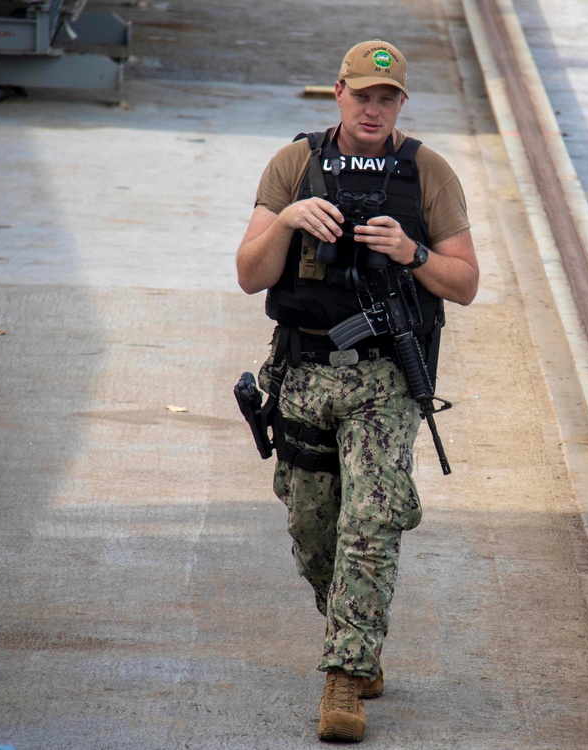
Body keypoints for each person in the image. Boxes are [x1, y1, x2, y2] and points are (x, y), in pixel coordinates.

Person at [235, 40, 479, 742]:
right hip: (303, 369)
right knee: (313, 528)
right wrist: (286, 219)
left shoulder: (426, 171)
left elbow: (464, 283)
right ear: (337, 94)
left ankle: (345, 676)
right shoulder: (294, 163)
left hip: (384, 379)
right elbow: (251, 275)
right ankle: (354, 632)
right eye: (362, 96)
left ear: (401, 103)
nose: (373, 110)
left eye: (388, 98)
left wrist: (414, 253)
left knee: (369, 522)